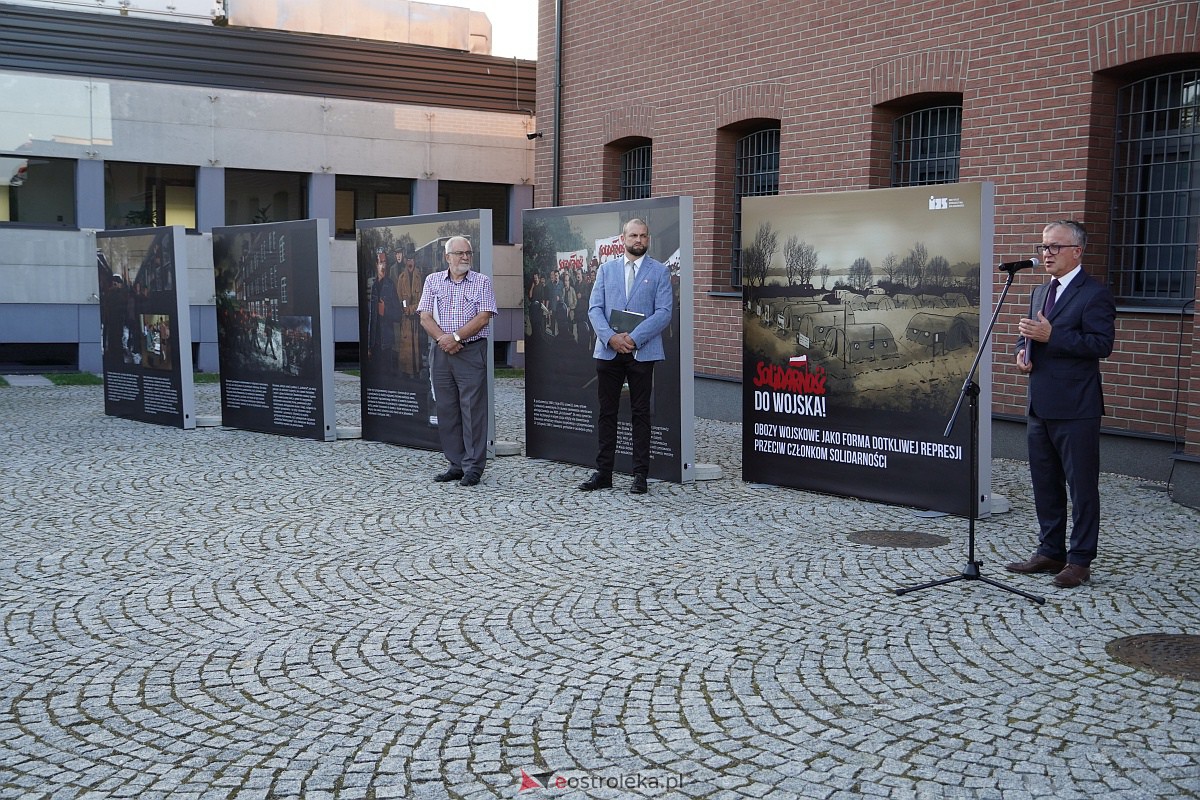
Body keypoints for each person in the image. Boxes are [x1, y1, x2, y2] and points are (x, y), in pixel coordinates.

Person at [1007, 220, 1116, 588]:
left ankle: (1080, 560)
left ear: (1077, 251)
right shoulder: (1040, 292)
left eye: (1055, 246)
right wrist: (1022, 352)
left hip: (1076, 407)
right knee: (1045, 482)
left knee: (1081, 487)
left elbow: (1101, 345)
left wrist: (1053, 336)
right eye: (1043, 247)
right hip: (1039, 403)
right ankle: (1050, 550)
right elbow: (1029, 336)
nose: (1046, 253)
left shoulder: (1094, 294)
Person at [579, 218, 674, 495]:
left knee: (641, 413)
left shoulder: (660, 272)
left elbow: (664, 312)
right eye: (633, 235)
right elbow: (594, 309)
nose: (639, 240)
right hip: (609, 351)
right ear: (623, 239)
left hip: (642, 352)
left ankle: (640, 475)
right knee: (607, 413)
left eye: (643, 235)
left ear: (648, 238)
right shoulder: (606, 270)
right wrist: (611, 337)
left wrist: (633, 338)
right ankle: (604, 473)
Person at [418, 236, 497, 487]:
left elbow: (484, 317)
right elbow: (425, 316)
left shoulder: (482, 282)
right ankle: (456, 464)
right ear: (447, 257)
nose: (465, 257)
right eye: (460, 253)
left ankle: (473, 467)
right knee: (447, 408)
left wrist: (455, 337)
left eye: (468, 253)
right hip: (441, 352)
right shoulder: (432, 281)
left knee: (473, 410)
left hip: (470, 351)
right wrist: (444, 340)